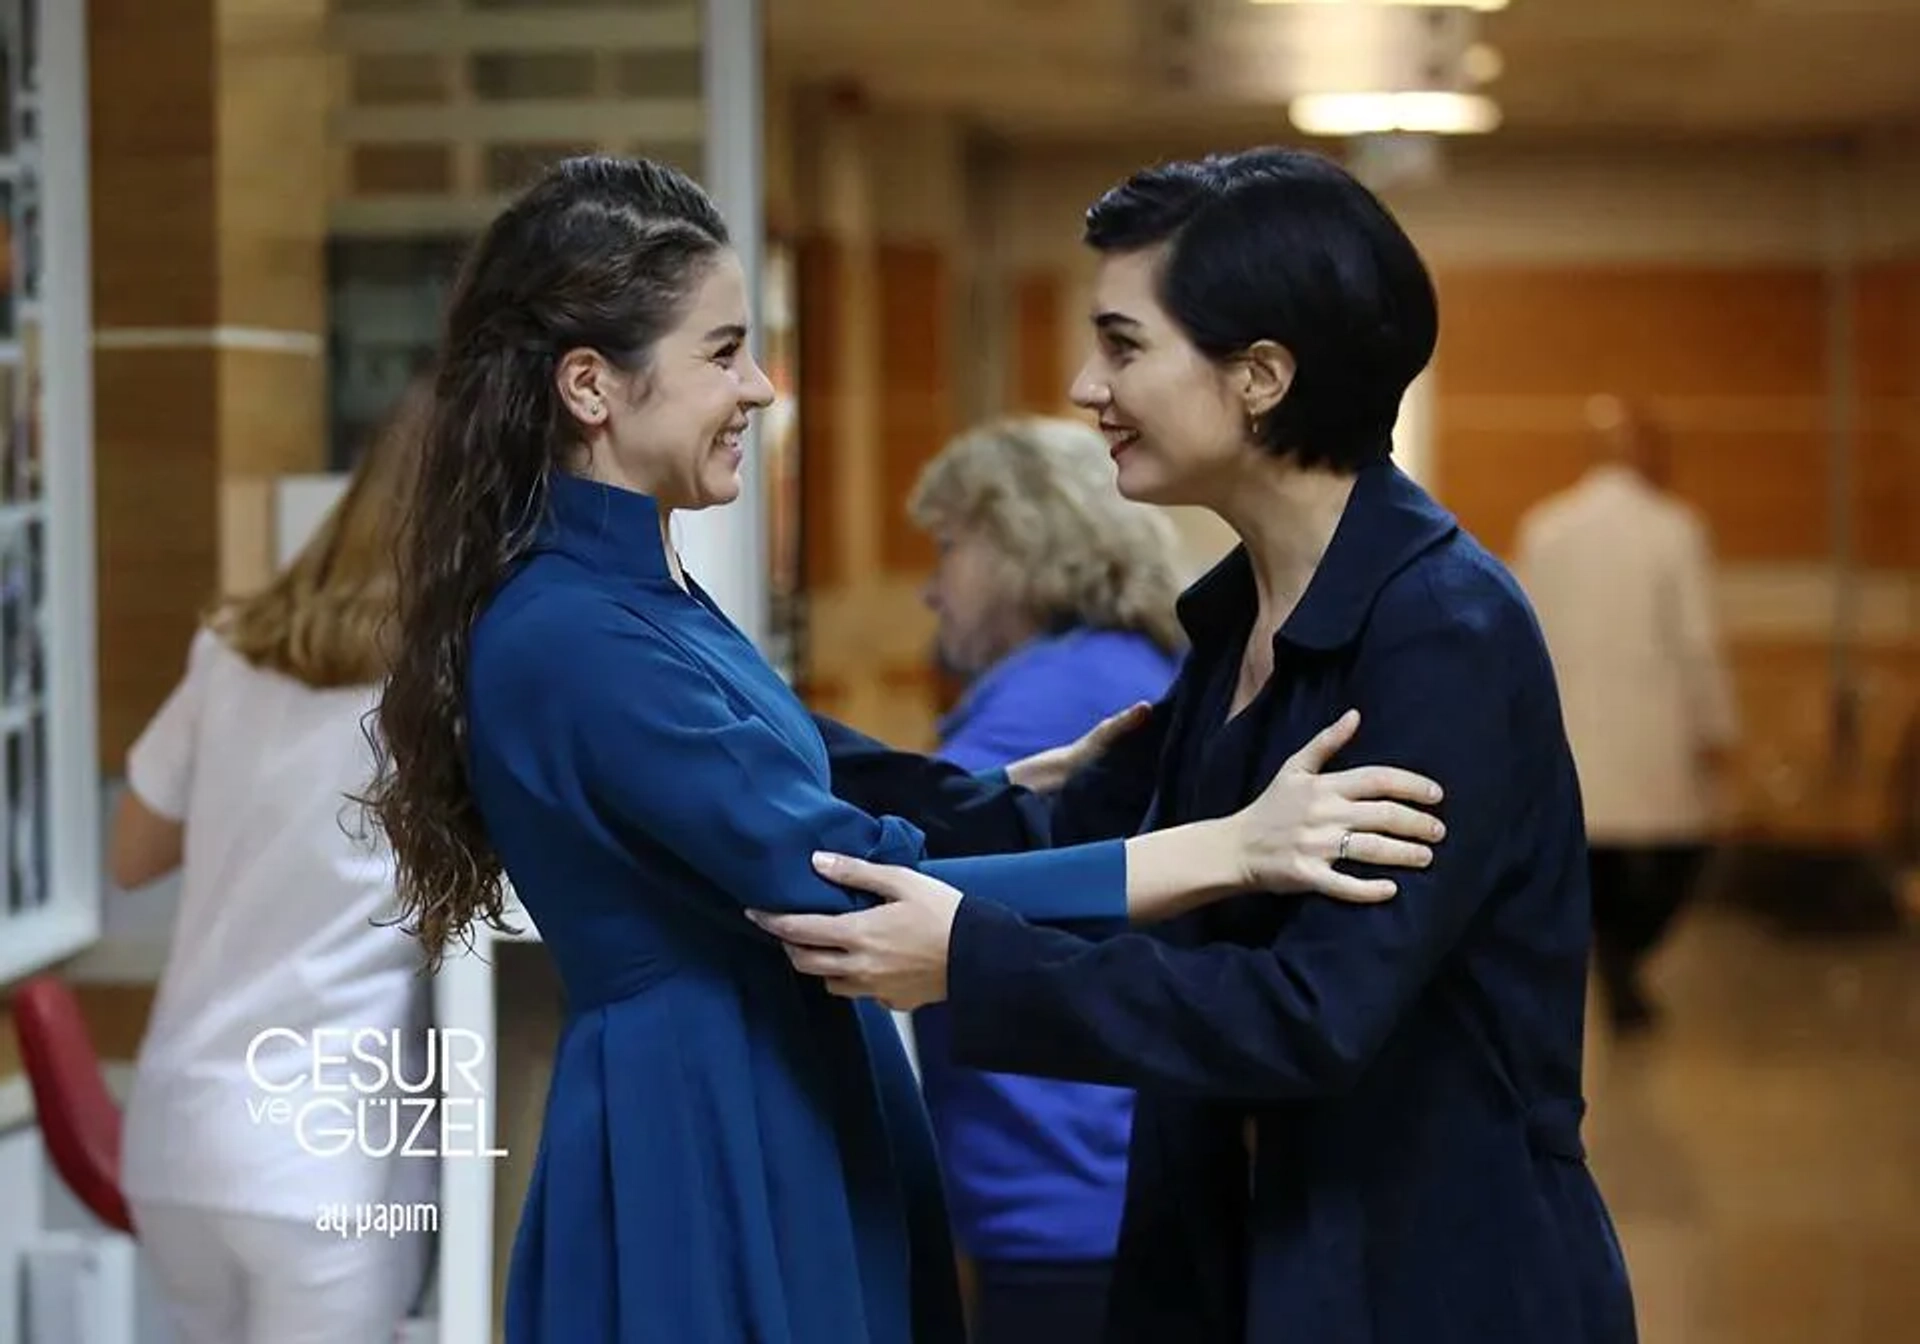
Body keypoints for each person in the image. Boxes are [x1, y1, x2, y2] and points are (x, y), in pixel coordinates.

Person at [359, 154, 1448, 1344]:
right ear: (590, 387)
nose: (764, 388)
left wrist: (1005, 792)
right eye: (724, 354)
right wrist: (1226, 853)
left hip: (781, 1090)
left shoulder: (641, 592)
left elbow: (803, 775)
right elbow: (840, 886)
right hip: (708, 1125)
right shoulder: (571, 629)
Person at [763, 148, 1638, 1343]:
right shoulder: (1239, 620)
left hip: (1425, 1284)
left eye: (1124, 346)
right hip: (1234, 1266)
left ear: (1261, 377)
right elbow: (1046, 825)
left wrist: (974, 961)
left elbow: (1312, 1011)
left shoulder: (1444, 636)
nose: (1084, 385)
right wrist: (737, 728)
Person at [112, 385, 435, 1344]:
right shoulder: (449, 683)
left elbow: (133, 852)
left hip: (180, 1141)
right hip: (325, 1154)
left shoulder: (231, 648)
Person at [906, 416, 1186, 1343]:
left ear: (1019, 544)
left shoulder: (1047, 698)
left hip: (1060, 1186)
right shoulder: (1130, 666)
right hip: (1105, 1168)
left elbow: (905, 866)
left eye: (950, 548)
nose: (932, 590)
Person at [1516, 395, 1739, 1032]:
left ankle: (1612, 961)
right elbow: (1696, 642)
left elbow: (1522, 631)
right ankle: (1621, 960)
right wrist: (1717, 727)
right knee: (1676, 855)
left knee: (1591, 859)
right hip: (1651, 732)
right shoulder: (1675, 529)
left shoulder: (1545, 528)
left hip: (1571, 730)